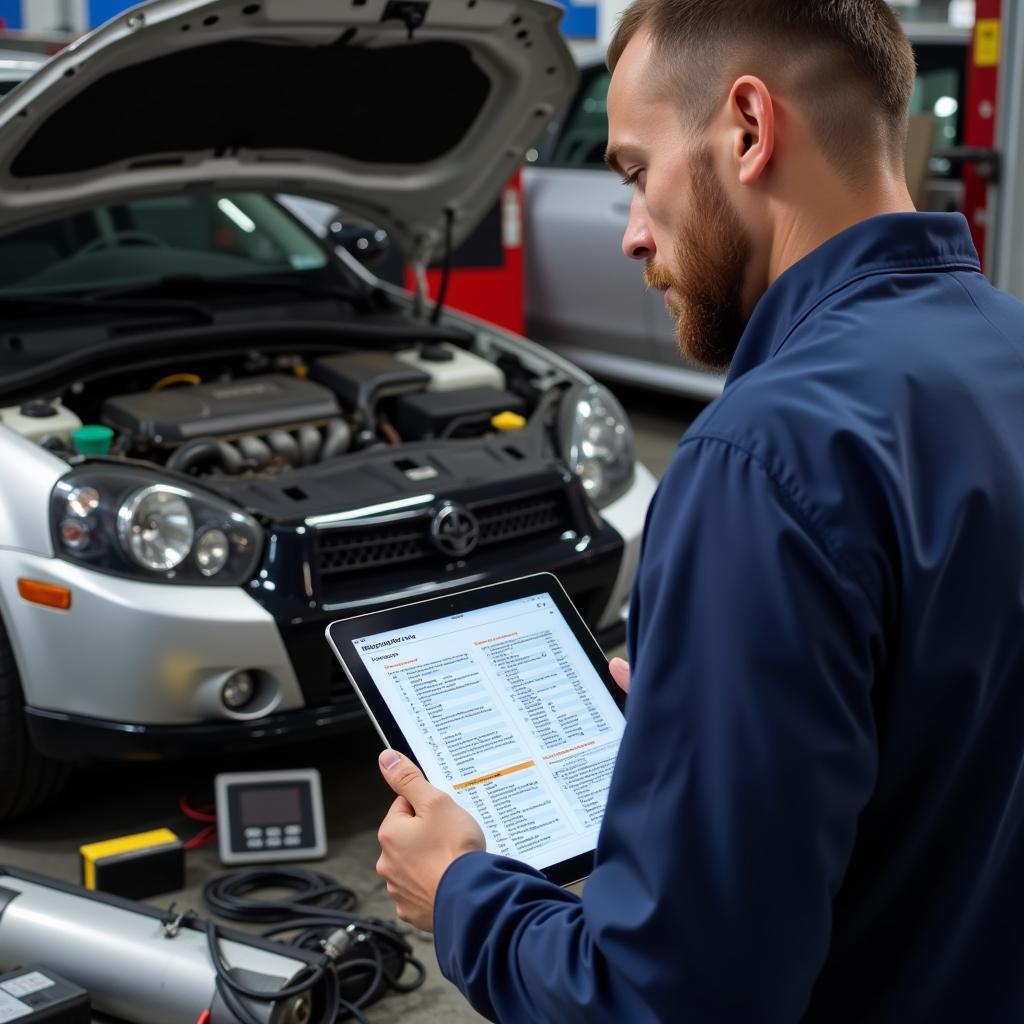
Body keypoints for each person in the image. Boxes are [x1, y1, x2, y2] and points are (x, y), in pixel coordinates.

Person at [374, 1, 1024, 1020]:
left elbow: (670, 994)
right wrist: (712, 722)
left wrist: (461, 892)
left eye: (635, 172)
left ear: (749, 130)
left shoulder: (762, 459)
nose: (633, 230)